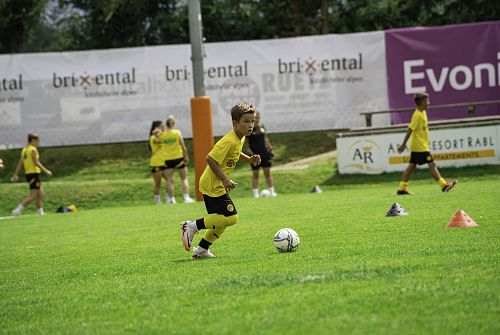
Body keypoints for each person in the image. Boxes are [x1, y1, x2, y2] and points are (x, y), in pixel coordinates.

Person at [180, 102, 261, 259]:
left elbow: (235, 153)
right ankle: (191, 226)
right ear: (235, 123)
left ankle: (202, 249)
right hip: (213, 184)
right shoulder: (229, 140)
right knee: (231, 217)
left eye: (252, 121)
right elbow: (210, 159)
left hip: (214, 183)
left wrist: (249, 159)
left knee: (223, 219)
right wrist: (225, 179)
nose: (250, 125)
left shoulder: (240, 138)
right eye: (246, 121)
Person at [396, 93, 457, 195]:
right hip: (420, 147)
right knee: (432, 164)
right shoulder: (417, 115)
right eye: (427, 101)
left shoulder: (423, 112)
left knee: (411, 166)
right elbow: (410, 129)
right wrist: (403, 144)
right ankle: (444, 185)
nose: (429, 103)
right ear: (422, 103)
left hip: (420, 146)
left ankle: (402, 188)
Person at [11, 133, 53, 216]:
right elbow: (36, 162)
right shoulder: (32, 149)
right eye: (38, 141)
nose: (38, 143)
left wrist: (15, 174)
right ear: (33, 140)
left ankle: (40, 212)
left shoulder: (25, 150)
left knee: (39, 193)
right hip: (33, 173)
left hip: (29, 174)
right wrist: (46, 171)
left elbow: (20, 163)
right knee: (33, 195)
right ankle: (17, 210)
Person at [160, 115, 195, 204]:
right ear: (173, 123)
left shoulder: (162, 134)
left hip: (168, 160)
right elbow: (183, 146)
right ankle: (186, 198)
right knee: (184, 178)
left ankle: (171, 199)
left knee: (169, 180)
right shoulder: (177, 133)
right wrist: (186, 156)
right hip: (178, 158)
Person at [246, 111, 277, 197]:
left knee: (267, 173)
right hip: (255, 155)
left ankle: (272, 192)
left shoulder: (262, 126)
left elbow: (265, 138)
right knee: (255, 174)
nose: (258, 118)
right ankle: (255, 194)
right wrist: (250, 153)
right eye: (256, 116)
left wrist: (270, 149)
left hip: (265, 153)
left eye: (259, 116)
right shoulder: (249, 128)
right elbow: (246, 143)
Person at [148, 120, 168, 204]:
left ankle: (169, 199)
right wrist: (157, 134)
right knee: (158, 183)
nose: (163, 127)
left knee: (169, 181)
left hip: (165, 162)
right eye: (161, 126)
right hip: (156, 163)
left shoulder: (163, 135)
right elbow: (158, 141)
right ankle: (157, 201)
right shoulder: (153, 137)